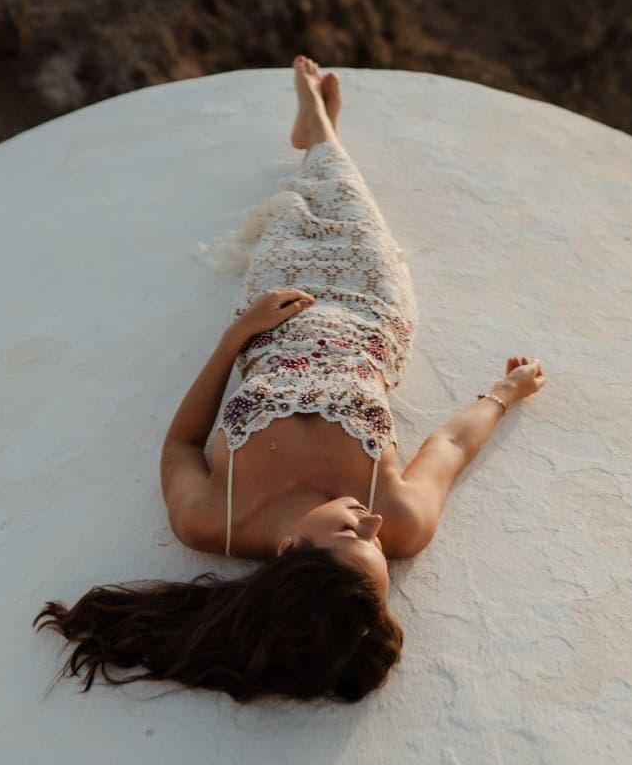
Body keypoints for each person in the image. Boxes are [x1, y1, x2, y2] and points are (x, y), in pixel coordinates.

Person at [34, 56, 546, 704]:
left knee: (291, 217)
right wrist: (503, 394)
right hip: (369, 311)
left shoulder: (210, 519)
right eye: (378, 552)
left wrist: (237, 336)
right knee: (354, 209)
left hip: (272, 317)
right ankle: (319, 134)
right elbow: (447, 449)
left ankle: (317, 133)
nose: (372, 528)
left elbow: (181, 446)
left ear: (286, 549)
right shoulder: (402, 519)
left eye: (351, 538)